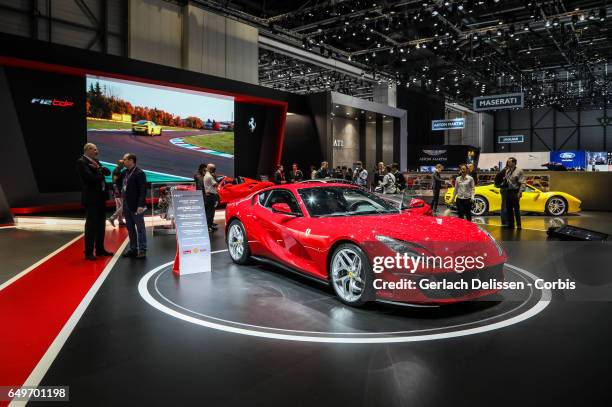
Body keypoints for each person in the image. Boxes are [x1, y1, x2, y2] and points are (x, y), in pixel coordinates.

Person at [76, 143, 112, 260]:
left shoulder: (95, 161)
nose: (97, 151)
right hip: (91, 199)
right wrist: (99, 172)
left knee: (101, 225)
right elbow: (90, 178)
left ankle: (100, 249)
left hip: (101, 198)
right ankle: (88, 252)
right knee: (91, 226)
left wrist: (98, 169)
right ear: (88, 150)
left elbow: (108, 172)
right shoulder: (81, 162)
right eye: (95, 149)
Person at [120, 153, 148, 259]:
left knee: (140, 228)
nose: (123, 161)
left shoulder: (139, 173)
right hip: (126, 204)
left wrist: (140, 205)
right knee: (130, 228)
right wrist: (118, 167)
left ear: (131, 160)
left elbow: (143, 190)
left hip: (137, 205)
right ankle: (133, 248)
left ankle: (142, 249)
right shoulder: (124, 172)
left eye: (125, 159)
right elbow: (116, 181)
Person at [503, 157, 526, 229]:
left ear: (514, 163)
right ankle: (511, 224)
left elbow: (523, 182)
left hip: (515, 192)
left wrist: (520, 192)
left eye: (509, 162)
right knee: (509, 209)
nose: (507, 163)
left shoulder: (519, 171)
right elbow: (506, 181)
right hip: (508, 191)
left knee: (516, 209)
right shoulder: (507, 171)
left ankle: (519, 225)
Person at [108, 159, 126, 228]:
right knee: (123, 206)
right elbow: (115, 181)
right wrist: (117, 190)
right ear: (118, 164)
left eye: (123, 163)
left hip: (117, 190)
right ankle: (112, 218)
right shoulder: (117, 171)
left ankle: (120, 221)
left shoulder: (118, 170)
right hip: (118, 191)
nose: (123, 165)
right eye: (122, 164)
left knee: (119, 206)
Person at [204, 163, 219, 233]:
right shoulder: (210, 176)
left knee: (210, 212)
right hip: (211, 196)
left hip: (209, 195)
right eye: (213, 168)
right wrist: (215, 177)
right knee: (210, 212)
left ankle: (210, 225)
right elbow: (216, 184)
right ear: (211, 169)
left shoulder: (206, 175)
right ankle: (209, 227)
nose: (214, 170)